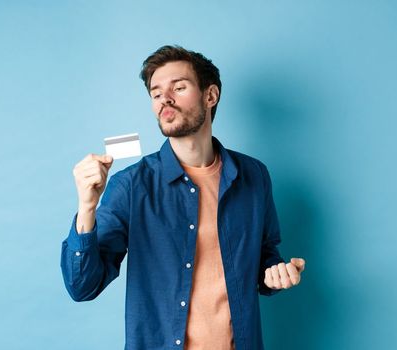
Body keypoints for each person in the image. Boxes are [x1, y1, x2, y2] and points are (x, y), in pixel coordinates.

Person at [60, 45, 306, 350]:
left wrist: (275, 274)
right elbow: (82, 286)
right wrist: (87, 207)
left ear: (210, 95)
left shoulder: (254, 176)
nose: (165, 98)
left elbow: (265, 255)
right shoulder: (131, 185)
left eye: (179, 87)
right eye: (156, 92)